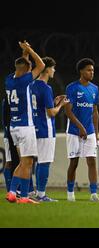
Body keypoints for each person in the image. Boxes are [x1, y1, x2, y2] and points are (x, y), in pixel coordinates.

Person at [5, 41, 45, 204]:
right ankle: (24, 197)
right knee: (27, 163)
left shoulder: (9, 80)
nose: (31, 71)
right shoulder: (24, 81)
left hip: (14, 127)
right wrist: (30, 49)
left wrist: (25, 55)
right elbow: (41, 65)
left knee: (23, 162)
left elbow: (23, 65)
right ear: (24, 71)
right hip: (25, 127)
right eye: (29, 69)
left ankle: (13, 193)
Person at [65, 58, 99, 202]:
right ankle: (70, 194)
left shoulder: (95, 89)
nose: (91, 72)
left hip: (90, 131)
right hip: (74, 131)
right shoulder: (72, 88)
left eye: (92, 70)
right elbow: (68, 111)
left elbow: (95, 112)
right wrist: (80, 127)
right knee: (73, 163)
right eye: (88, 70)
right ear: (81, 71)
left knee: (92, 162)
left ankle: (93, 194)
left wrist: (96, 134)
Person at [30, 57, 68, 201]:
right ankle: (41, 194)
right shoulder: (46, 87)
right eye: (53, 67)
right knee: (44, 162)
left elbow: (40, 107)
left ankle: (32, 192)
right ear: (46, 69)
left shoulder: (31, 85)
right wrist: (61, 105)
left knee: (34, 161)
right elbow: (51, 113)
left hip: (33, 127)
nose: (54, 70)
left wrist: (53, 102)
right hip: (45, 129)